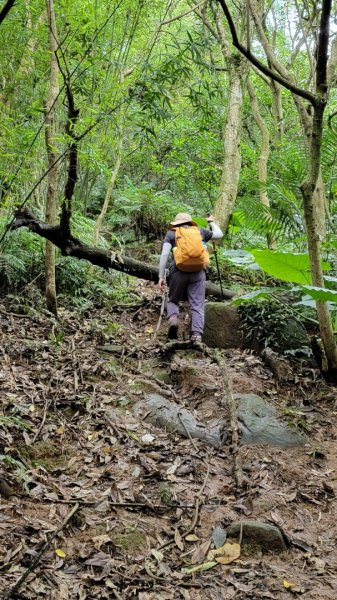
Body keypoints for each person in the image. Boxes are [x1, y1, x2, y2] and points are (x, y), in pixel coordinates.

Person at [158, 212, 223, 342]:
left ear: (176, 222)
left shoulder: (172, 233)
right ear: (190, 222)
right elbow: (220, 235)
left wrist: (161, 276)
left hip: (178, 271)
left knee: (173, 300)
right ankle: (197, 335)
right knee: (197, 304)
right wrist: (211, 222)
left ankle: (173, 319)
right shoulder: (200, 231)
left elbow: (164, 255)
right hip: (198, 272)